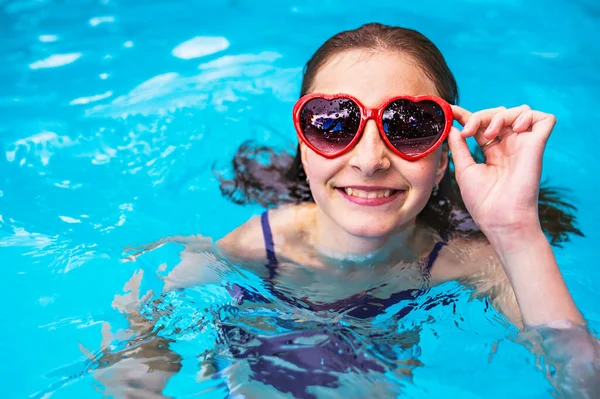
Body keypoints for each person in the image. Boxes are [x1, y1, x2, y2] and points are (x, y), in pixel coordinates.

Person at [98, 22, 599, 398]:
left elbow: (582, 380)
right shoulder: (255, 246)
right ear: (303, 146)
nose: (369, 160)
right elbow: (143, 322)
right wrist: (142, 364)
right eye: (333, 124)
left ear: (445, 154)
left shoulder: (465, 262)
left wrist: (516, 230)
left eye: (409, 125)